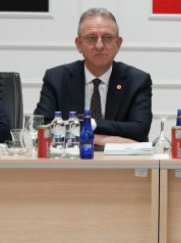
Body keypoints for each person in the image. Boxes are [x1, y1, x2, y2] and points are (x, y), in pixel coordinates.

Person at [34, 8, 152, 144]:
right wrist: (97, 139)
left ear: (118, 44)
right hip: (71, 157)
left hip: (119, 157)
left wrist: (91, 124)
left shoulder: (137, 81)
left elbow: (139, 130)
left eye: (107, 38)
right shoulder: (57, 78)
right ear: (79, 44)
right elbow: (42, 127)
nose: (99, 45)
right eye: (91, 38)